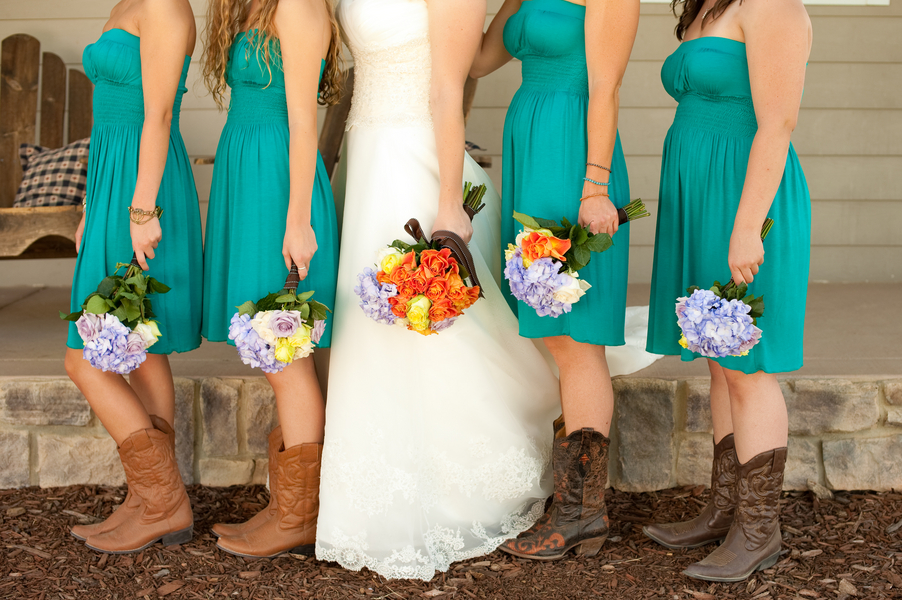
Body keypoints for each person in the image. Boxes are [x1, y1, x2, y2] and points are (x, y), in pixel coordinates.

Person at [314, 0, 561, 580]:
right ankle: (375, 485)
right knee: (370, 325)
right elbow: (350, 78)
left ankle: (462, 490)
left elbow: (451, 89)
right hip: (367, 159)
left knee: (426, 328)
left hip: (417, 165)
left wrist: (449, 204)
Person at [642, 0, 812, 582]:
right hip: (698, 193)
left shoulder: (775, 7)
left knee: (746, 362)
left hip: (746, 198)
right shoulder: (706, 6)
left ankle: (760, 531)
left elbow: (778, 122)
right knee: (719, 360)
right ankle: (725, 509)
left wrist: (746, 225)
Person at [468, 0, 640, 560]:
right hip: (529, 142)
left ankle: (583, 511)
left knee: (574, 336)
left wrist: (595, 187)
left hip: (573, 148)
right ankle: (576, 504)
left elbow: (606, 87)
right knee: (548, 324)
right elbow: (477, 61)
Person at [200, 0, 341, 558]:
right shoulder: (256, 8)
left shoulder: (301, 9)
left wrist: (298, 219)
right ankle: (288, 503)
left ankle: (299, 516)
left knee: (283, 351)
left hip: (278, 186)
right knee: (266, 347)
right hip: (247, 178)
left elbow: (305, 120)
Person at [64, 0, 202, 554]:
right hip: (113, 180)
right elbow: (108, 115)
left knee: (85, 354)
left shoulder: (167, 7)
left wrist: (141, 208)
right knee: (141, 347)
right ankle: (150, 502)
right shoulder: (130, 3)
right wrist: (91, 205)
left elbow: (159, 113)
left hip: (144, 183)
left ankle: (163, 501)